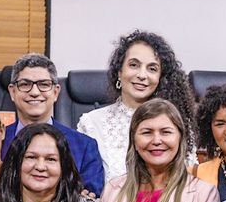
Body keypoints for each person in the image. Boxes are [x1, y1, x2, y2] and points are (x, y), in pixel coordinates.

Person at [76, 30, 197, 183]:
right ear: (119, 72)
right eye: (134, 65)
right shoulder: (92, 124)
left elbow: (189, 183)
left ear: (160, 78)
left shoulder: (178, 123)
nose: (142, 75)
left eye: (152, 69)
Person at [2, 53, 105, 195]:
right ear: (12, 92)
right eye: (25, 84)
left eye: (44, 85)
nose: (34, 92)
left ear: (55, 92)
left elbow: (90, 199)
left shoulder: (84, 146)